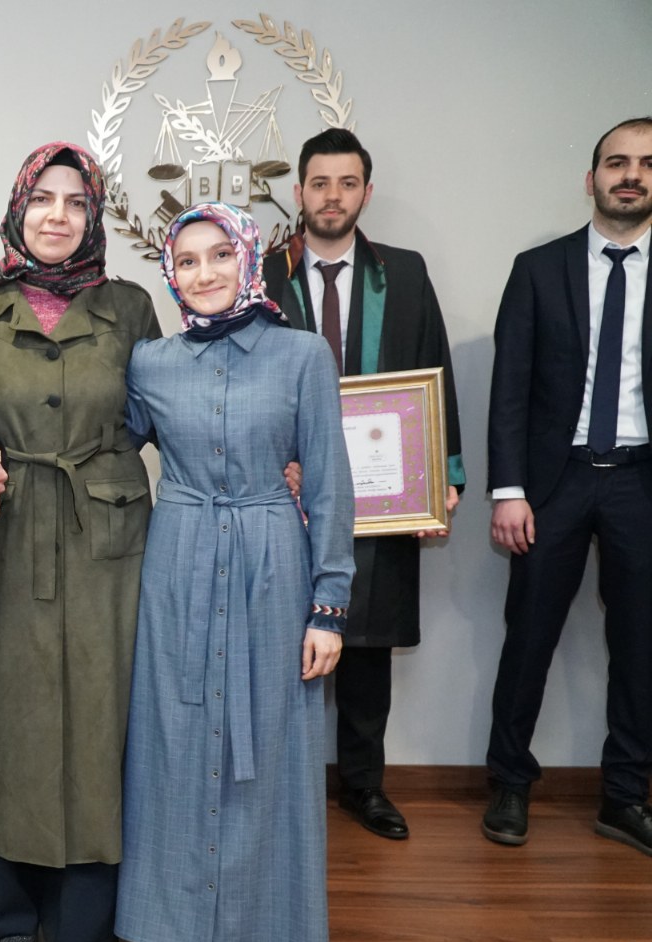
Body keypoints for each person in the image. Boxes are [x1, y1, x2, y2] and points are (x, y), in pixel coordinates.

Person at [0, 143, 159, 942]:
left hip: (107, 542)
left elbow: (165, 411)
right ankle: (3, 910)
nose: (58, 216)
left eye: (76, 202)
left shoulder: (130, 306)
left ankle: (82, 918)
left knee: (100, 719)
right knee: (1, 720)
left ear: (94, 216)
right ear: (17, 207)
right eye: (43, 199)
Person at [116, 202, 354, 942]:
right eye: (187, 261)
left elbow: (329, 483)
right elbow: (103, 450)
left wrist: (328, 606)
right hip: (178, 561)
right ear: (170, 273)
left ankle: (251, 936)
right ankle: (186, 931)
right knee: (176, 743)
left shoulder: (303, 355)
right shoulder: (150, 362)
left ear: (249, 259)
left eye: (220, 254)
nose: (205, 272)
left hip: (271, 564)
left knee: (269, 750)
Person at [263, 129, 465, 840]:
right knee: (280, 635)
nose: (332, 197)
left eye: (347, 183)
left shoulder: (402, 274)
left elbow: (434, 370)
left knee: (368, 640)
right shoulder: (263, 274)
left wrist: (443, 475)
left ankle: (363, 785)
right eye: (319, 183)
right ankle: (279, 788)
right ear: (299, 192)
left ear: (366, 193)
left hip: (382, 490)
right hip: (287, 491)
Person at [484, 116, 652, 858]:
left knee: (641, 646)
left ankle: (625, 796)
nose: (631, 175)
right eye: (616, 162)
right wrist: (508, 489)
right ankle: (508, 784)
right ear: (591, 179)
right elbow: (509, 388)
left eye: (646, 164)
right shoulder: (538, 268)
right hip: (554, 483)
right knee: (528, 638)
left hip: (641, 482)